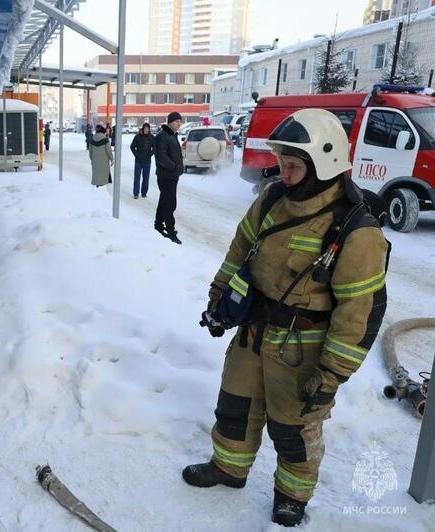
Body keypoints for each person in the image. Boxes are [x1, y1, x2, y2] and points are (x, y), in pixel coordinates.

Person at [184, 109, 389, 527]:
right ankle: (229, 467)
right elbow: (240, 249)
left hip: (302, 348)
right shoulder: (273, 199)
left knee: (294, 429)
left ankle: (291, 495)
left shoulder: (355, 229)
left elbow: (358, 313)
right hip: (253, 334)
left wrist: (331, 375)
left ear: (325, 163)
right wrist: (218, 297)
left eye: (294, 166)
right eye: (282, 163)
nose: (285, 173)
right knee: (235, 407)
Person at [153, 112, 184, 244]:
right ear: (170, 122)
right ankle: (170, 231)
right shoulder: (163, 136)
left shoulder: (172, 136)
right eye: (177, 121)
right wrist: (174, 166)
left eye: (180, 122)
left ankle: (159, 225)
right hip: (166, 176)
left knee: (164, 201)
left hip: (172, 175)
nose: (179, 124)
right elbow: (161, 156)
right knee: (170, 204)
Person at [130, 122, 154, 199]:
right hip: (138, 161)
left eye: (148, 129)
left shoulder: (151, 137)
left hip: (147, 161)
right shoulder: (137, 137)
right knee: (137, 178)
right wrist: (136, 155)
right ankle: (136, 193)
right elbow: (132, 147)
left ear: (149, 129)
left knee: (146, 178)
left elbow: (154, 148)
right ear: (143, 129)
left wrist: (149, 154)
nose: (146, 130)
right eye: (145, 129)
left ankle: (144, 193)